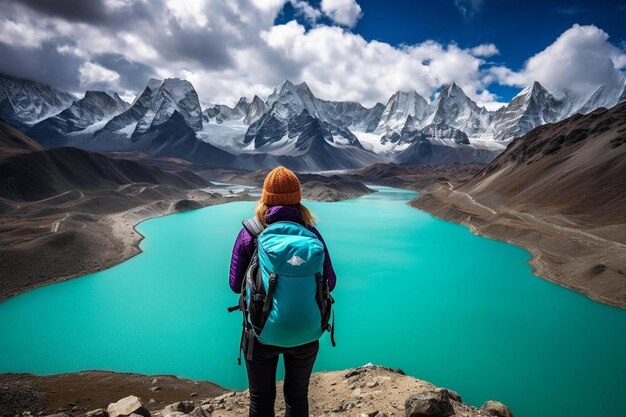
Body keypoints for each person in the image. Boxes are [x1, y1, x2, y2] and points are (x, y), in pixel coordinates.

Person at [229, 166, 337, 417]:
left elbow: (235, 284)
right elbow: (330, 282)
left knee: (261, 400)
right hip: (307, 332)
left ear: (265, 197)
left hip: (260, 331)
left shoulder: (251, 232)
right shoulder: (311, 233)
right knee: (297, 398)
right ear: (298, 198)